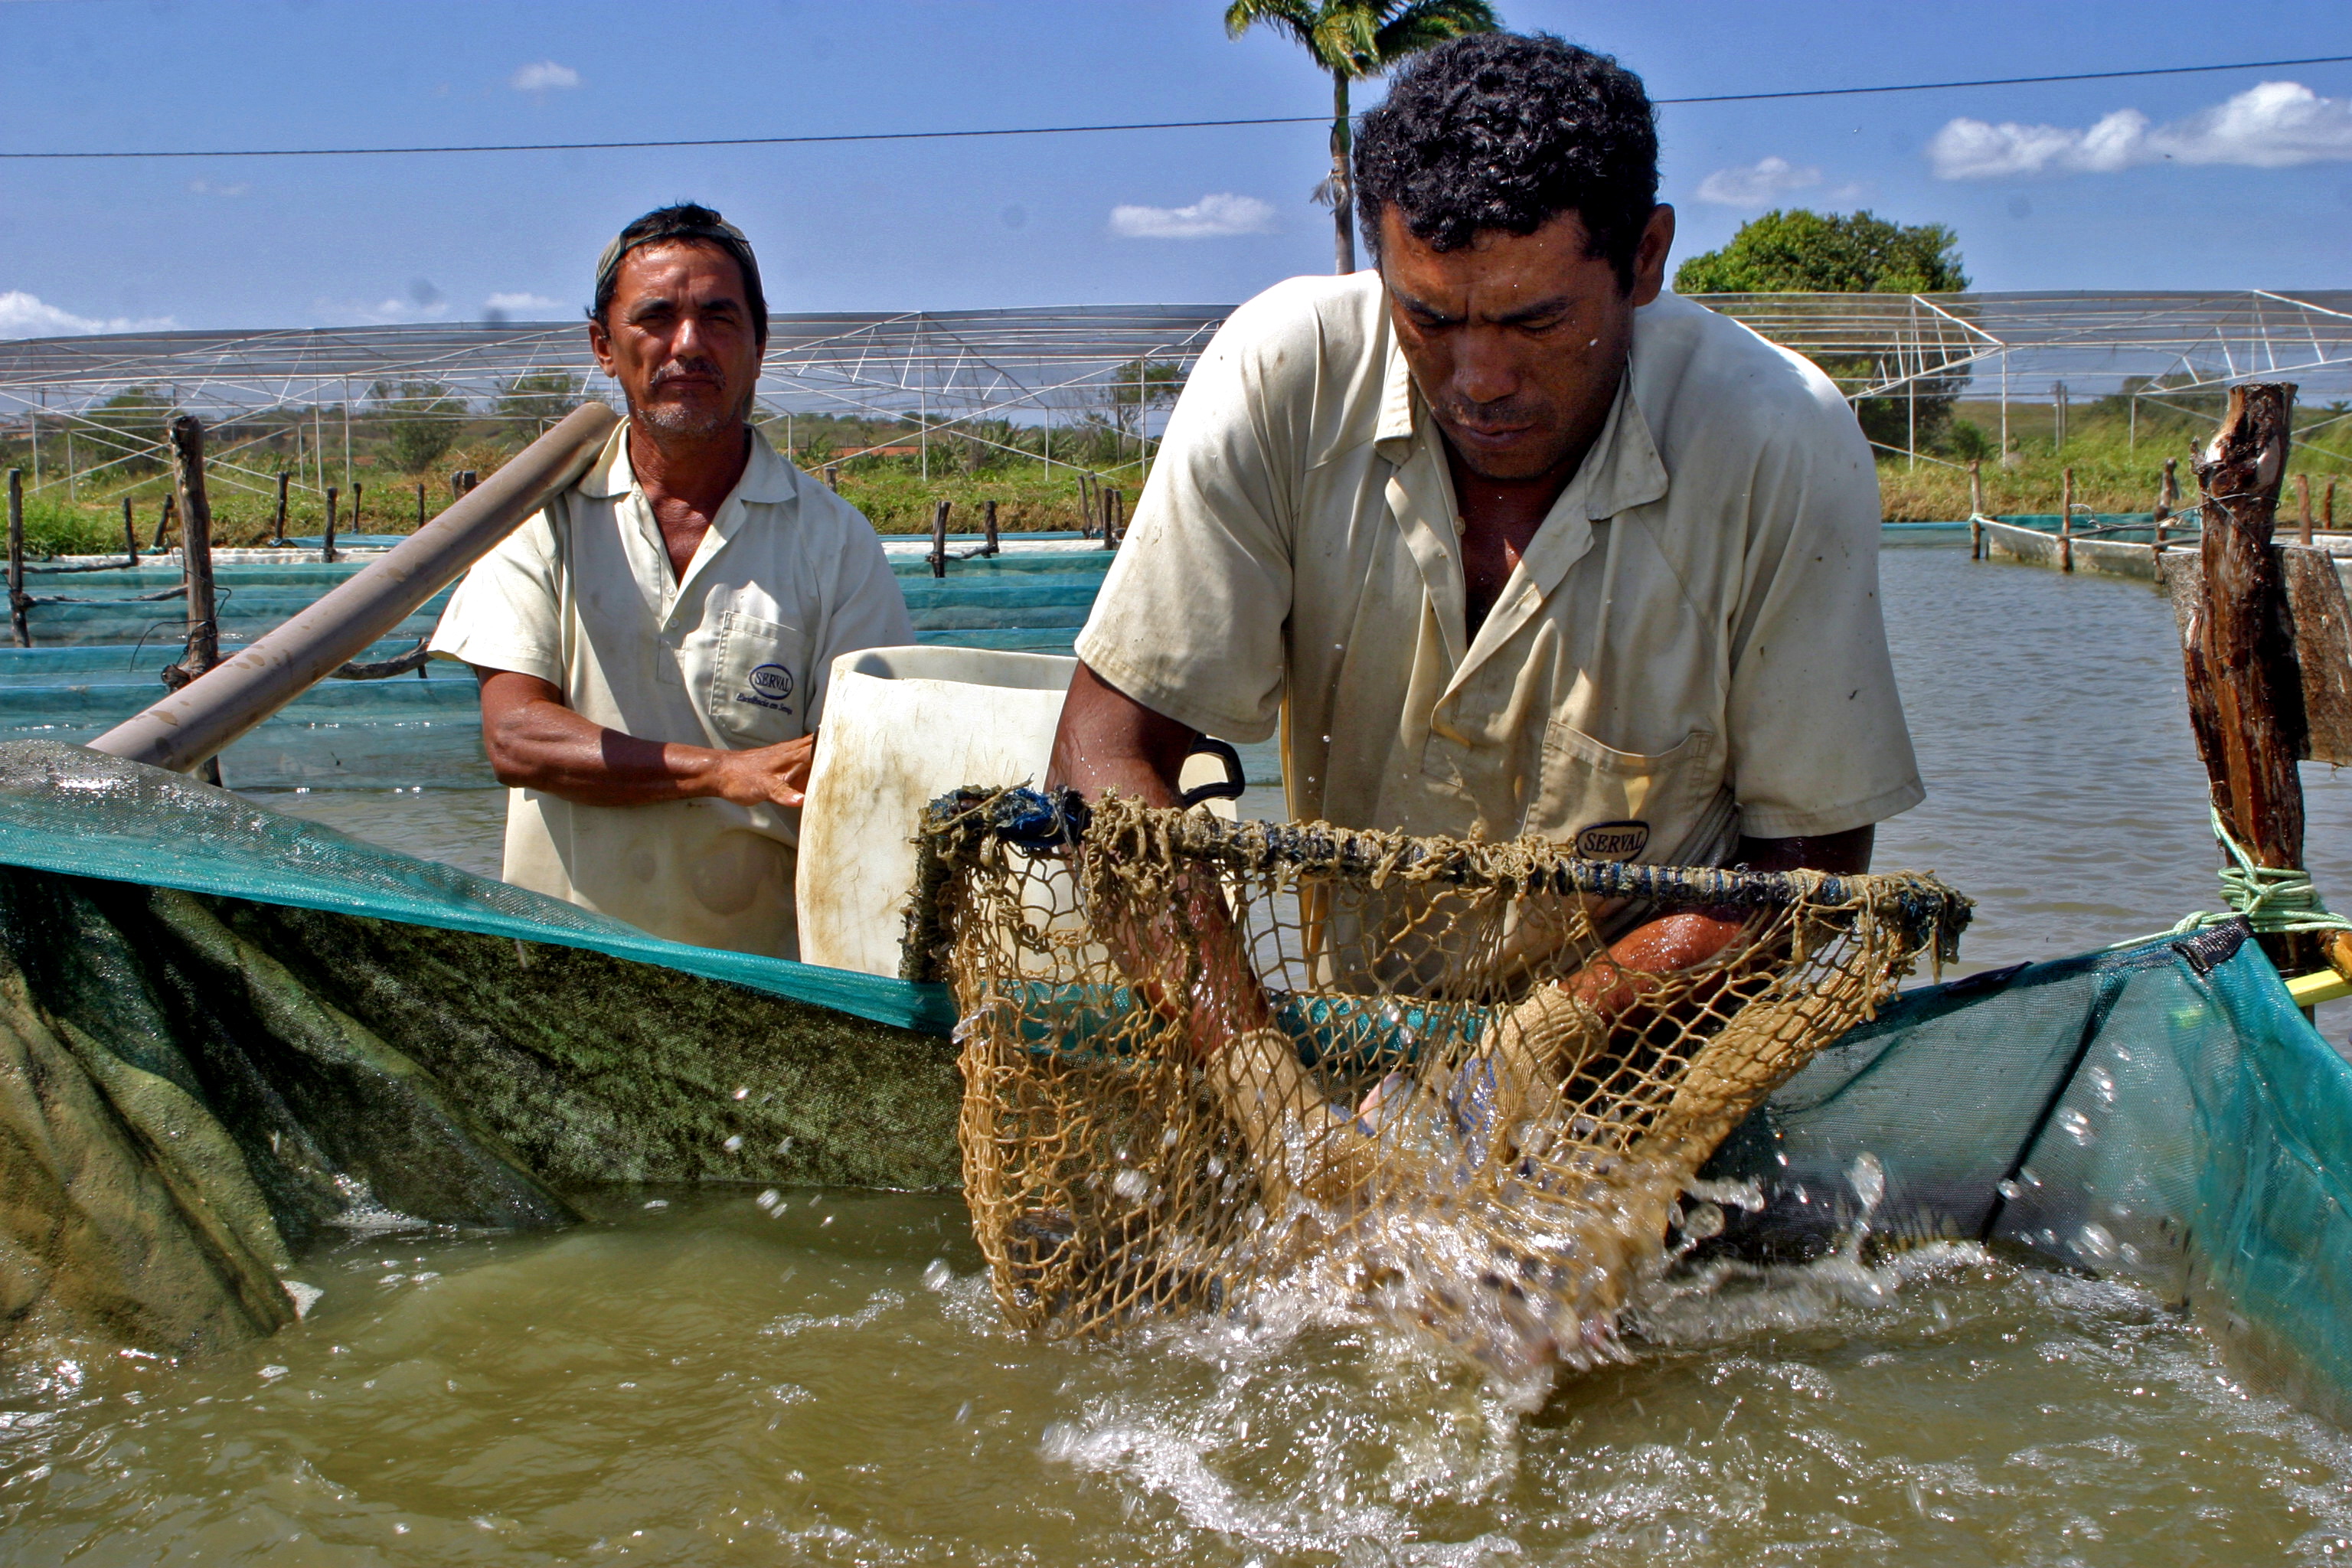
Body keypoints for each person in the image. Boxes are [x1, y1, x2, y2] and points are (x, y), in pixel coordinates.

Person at [1050, 33, 1922, 1045]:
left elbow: (1811, 863)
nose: (1478, 381)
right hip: (1357, 1036)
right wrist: (1257, 1072)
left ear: (1644, 259)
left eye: (1535, 322)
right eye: (1428, 317)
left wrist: (1539, 1047)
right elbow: (1101, 757)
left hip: (1650, 1052)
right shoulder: (1285, 377)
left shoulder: (1778, 437)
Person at [430, 203, 913, 959]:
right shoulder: (537, 518)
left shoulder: (834, 541)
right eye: (656, 317)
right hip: (567, 969)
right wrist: (722, 772)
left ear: (759, 346)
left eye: (719, 318)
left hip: (765, 979)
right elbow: (517, 737)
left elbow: (867, 766)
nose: (688, 344)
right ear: (604, 346)